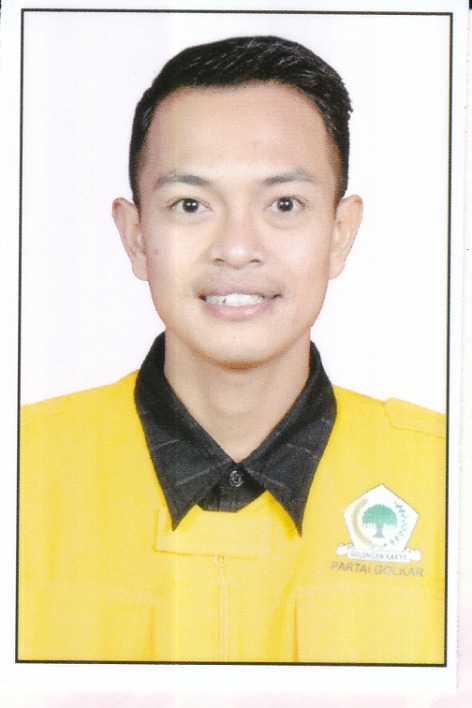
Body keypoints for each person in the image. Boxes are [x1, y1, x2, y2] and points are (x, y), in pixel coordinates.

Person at [18, 35, 445, 664]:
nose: (238, 248)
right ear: (136, 237)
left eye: (284, 204)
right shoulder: (23, 472)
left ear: (340, 233)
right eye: (190, 204)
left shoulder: (445, 480)